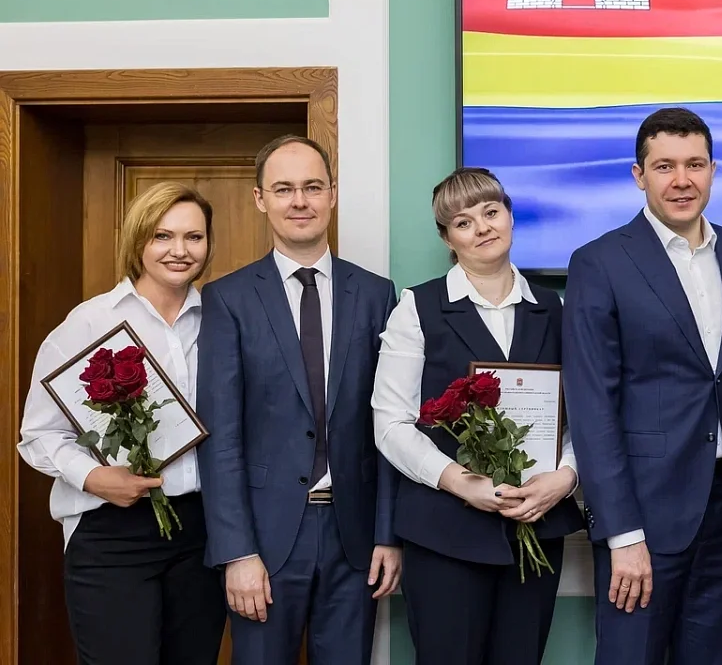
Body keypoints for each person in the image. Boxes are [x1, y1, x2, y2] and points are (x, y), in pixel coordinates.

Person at [562, 107, 722, 665]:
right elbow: (592, 407)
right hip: (643, 512)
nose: (682, 180)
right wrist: (622, 533)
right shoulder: (599, 262)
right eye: (664, 167)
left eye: (695, 165)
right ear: (639, 175)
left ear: (713, 171)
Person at [195, 135, 402, 665]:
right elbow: (220, 437)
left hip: (355, 539)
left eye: (312, 187)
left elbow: (390, 426)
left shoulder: (376, 294)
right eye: (283, 189)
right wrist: (236, 551)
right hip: (263, 540)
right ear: (260, 199)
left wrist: (388, 535)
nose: (299, 201)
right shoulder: (228, 298)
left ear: (332, 193)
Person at [372, 166, 585, 664]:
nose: (483, 228)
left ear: (510, 215)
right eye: (463, 222)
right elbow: (391, 424)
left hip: (537, 527)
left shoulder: (556, 308)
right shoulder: (417, 307)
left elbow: (582, 416)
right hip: (444, 531)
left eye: (491, 212)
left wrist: (566, 477)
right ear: (447, 238)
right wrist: (460, 482)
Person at [17, 181, 226, 665]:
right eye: (162, 236)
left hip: (201, 531)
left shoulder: (221, 320)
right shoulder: (88, 323)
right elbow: (38, 434)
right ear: (138, 241)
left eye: (194, 237)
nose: (179, 250)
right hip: (110, 533)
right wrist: (94, 476)